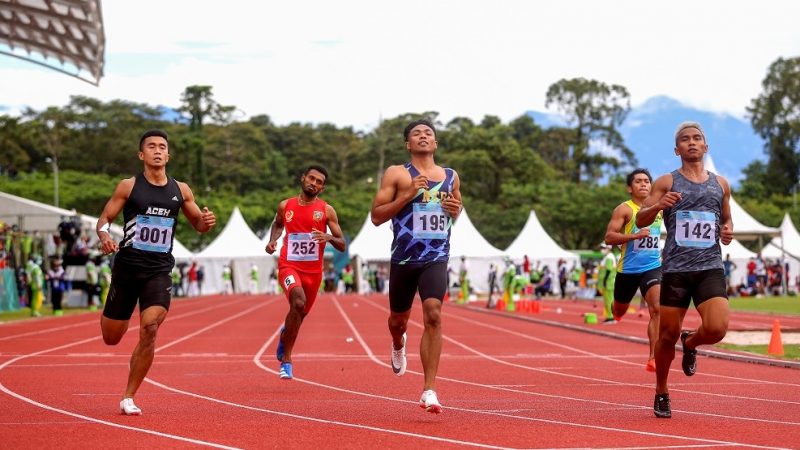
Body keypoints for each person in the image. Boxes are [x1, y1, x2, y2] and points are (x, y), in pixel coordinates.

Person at [95, 129, 217, 416]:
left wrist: (206, 222)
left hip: (159, 269)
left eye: (162, 147)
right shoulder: (128, 186)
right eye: (151, 146)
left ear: (168, 155)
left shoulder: (181, 190)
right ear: (142, 154)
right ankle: (116, 317)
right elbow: (104, 219)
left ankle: (128, 396)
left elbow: (198, 223)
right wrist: (104, 237)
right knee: (111, 337)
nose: (158, 151)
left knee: (149, 328)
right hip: (127, 268)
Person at [636, 121, 733, 419]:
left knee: (717, 329)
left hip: (710, 267)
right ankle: (662, 390)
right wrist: (658, 206)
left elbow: (726, 219)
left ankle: (691, 342)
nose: (691, 143)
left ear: (706, 146)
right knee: (666, 335)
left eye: (697, 138)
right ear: (676, 149)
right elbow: (641, 220)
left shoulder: (721, 184)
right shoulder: (667, 182)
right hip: (677, 270)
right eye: (684, 140)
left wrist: (727, 230)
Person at [370, 119, 462, 414]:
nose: (423, 137)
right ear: (408, 144)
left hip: (436, 256)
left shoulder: (450, 176)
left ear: (435, 143)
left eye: (428, 134)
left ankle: (429, 390)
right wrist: (408, 195)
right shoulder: (397, 174)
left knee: (433, 314)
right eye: (416, 134)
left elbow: (454, 211)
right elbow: (376, 216)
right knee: (398, 321)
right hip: (404, 259)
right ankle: (398, 342)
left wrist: (454, 211)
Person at [265, 165, 346, 380]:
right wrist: (273, 240)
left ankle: (285, 337)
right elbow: (278, 224)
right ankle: (287, 361)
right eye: (311, 178)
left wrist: (328, 237)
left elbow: (342, 244)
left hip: (313, 272)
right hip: (289, 265)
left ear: (323, 188)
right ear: (303, 178)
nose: (314, 183)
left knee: (299, 315)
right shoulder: (286, 205)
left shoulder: (327, 210)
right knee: (297, 302)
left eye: (319, 182)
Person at [603, 168, 663, 372]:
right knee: (619, 309)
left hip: (653, 267)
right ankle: (616, 309)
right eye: (638, 181)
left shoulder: (659, 208)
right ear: (630, 188)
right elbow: (609, 237)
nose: (644, 184)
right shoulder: (624, 209)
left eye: (647, 181)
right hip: (628, 270)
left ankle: (654, 357)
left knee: (657, 309)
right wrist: (634, 237)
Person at [596, 243, 617, 322]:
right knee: (607, 300)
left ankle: (611, 317)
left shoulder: (609, 257)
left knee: (609, 300)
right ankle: (609, 316)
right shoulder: (607, 257)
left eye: (603, 248)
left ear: (608, 248)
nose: (602, 249)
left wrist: (604, 280)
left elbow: (609, 269)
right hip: (607, 282)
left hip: (608, 282)